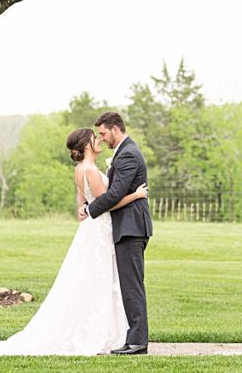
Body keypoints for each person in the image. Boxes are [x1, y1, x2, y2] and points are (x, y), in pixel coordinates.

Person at [0, 128, 148, 355]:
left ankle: (110, 332)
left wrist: (83, 208)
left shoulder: (79, 170)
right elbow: (107, 203)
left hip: (92, 230)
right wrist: (135, 195)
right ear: (87, 145)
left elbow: (82, 201)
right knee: (100, 280)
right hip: (100, 230)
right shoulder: (91, 171)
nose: (100, 141)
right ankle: (102, 333)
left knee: (92, 280)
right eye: (96, 138)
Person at [81, 110, 153, 355]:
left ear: (115, 129)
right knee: (128, 284)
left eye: (103, 133)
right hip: (126, 226)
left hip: (131, 228)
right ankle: (133, 338)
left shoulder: (128, 155)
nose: (101, 139)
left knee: (132, 285)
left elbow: (114, 194)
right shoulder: (123, 153)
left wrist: (90, 210)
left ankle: (137, 342)